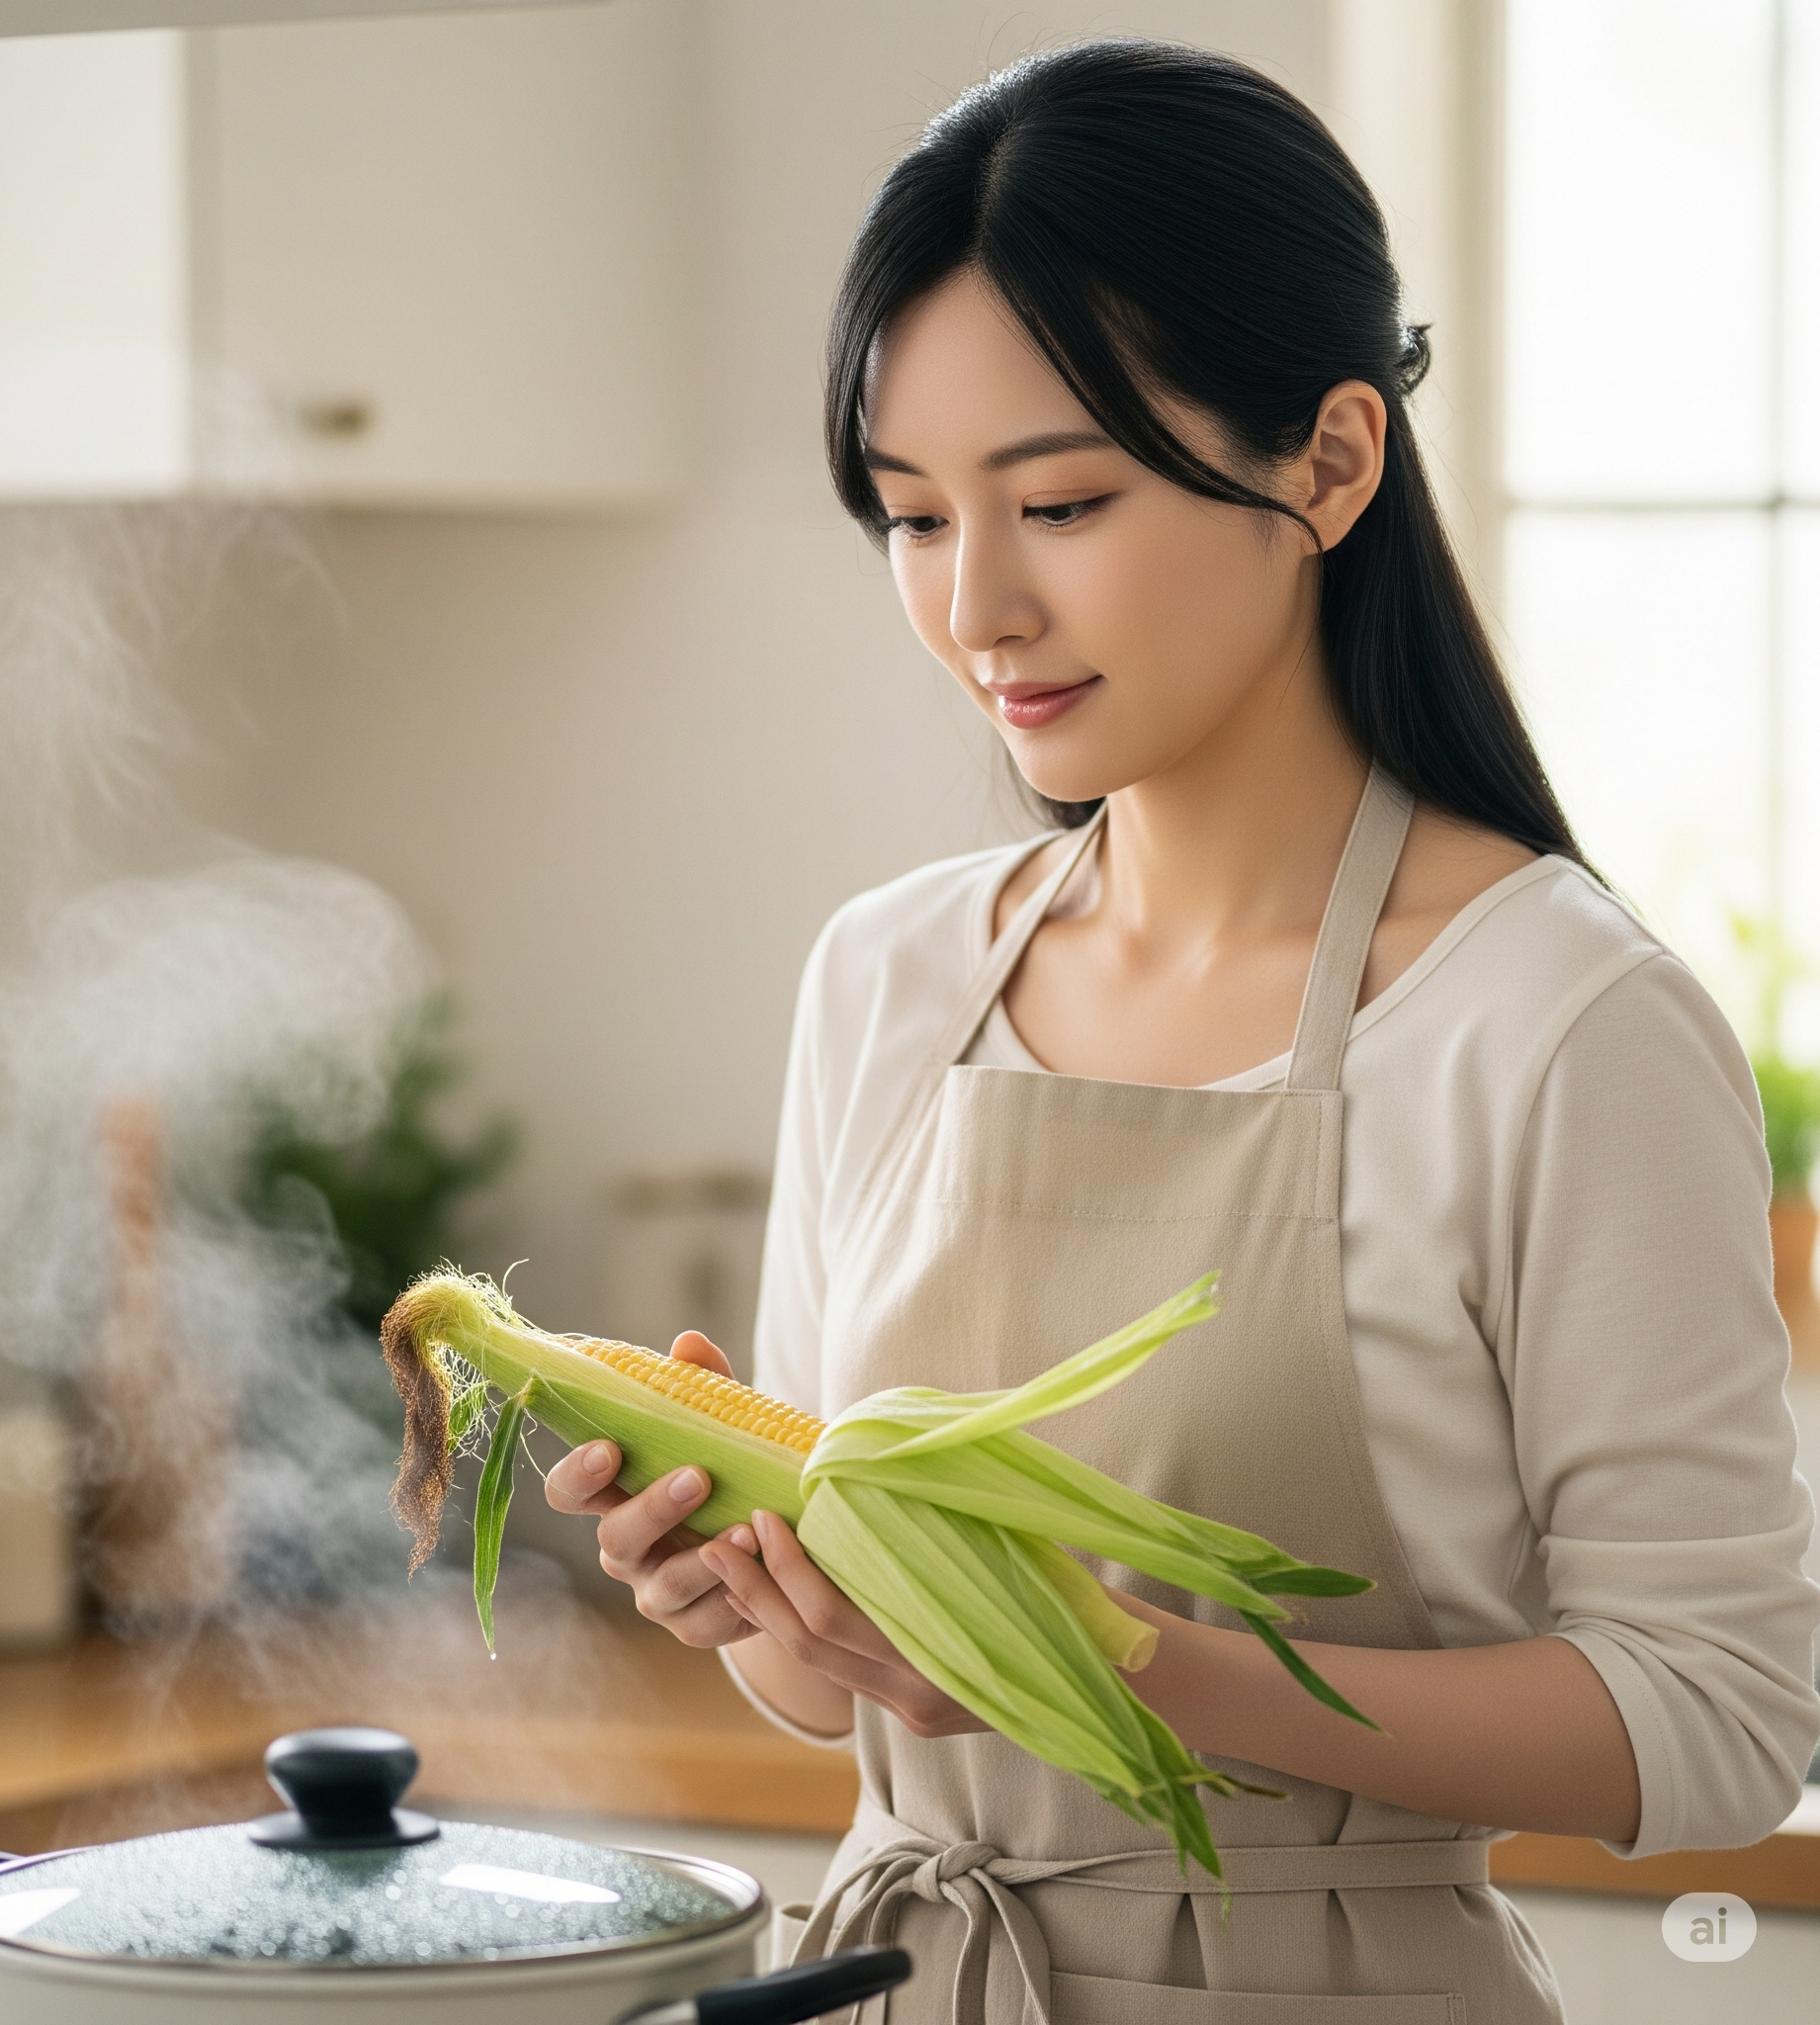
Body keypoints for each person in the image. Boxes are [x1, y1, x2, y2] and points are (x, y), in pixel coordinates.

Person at [546, 39, 1820, 2019]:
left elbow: (1722, 1712)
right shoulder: (888, 980)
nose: (978, 606)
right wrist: (745, 1598)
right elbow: (829, 1691)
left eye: (1058, 500)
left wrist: (1134, 1664)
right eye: (909, 516)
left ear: (1327, 461)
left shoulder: (1562, 1022)